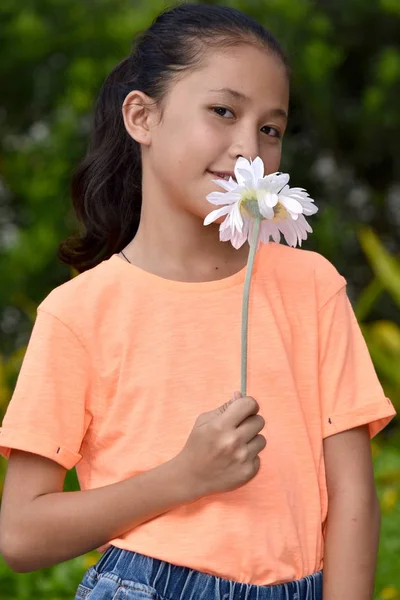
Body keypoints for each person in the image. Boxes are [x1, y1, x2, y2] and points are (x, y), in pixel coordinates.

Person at [0, 3, 396, 599]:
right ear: (142, 117)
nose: (248, 149)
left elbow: (353, 497)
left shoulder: (313, 287)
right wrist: (183, 477)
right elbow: (20, 535)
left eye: (271, 128)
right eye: (223, 111)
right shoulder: (78, 312)